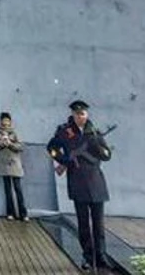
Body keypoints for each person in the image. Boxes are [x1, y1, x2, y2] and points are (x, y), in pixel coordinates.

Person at [48, 102, 113, 269]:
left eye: (83, 113)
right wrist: (64, 160)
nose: (80, 116)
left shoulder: (95, 133)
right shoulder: (64, 131)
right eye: (77, 114)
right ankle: (87, 256)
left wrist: (96, 146)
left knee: (98, 224)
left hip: (96, 182)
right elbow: (51, 148)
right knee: (83, 224)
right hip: (77, 181)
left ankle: (101, 255)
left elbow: (107, 156)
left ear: (87, 115)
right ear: (73, 115)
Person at [0, 111, 28, 222]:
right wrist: (2, 143)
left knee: (18, 188)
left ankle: (23, 213)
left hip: (14, 163)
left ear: (10, 121)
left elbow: (20, 147)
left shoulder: (14, 133)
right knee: (7, 189)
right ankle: (10, 213)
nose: (5, 123)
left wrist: (10, 144)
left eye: (7, 120)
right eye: (3, 120)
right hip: (3, 164)